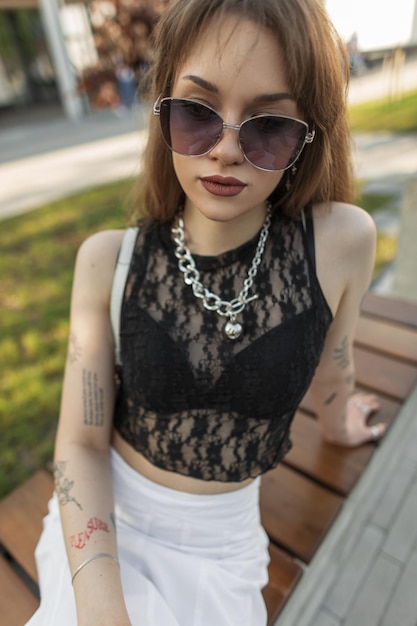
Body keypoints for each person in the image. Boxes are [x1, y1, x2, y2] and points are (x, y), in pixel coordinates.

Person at [26, 0, 385, 624]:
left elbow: (334, 364)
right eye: (198, 113)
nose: (224, 149)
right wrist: (100, 603)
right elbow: (80, 442)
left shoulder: (341, 242)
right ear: (162, 110)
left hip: (223, 548)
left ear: (306, 138)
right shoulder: (106, 261)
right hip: (103, 527)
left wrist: (342, 422)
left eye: (268, 124)